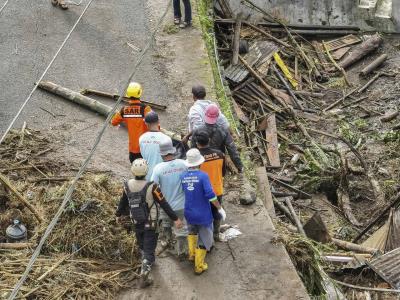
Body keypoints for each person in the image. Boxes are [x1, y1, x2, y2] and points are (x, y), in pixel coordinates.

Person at [115, 159, 182, 288]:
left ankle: (147, 258)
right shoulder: (153, 186)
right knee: (150, 247)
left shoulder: (126, 185)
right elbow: (164, 204)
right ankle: (145, 271)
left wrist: (118, 215)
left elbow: (122, 203)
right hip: (150, 222)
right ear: (146, 171)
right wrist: (175, 219)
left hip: (136, 221)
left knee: (142, 244)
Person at [181, 149, 226, 274]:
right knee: (204, 239)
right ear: (199, 163)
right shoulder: (203, 176)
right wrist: (219, 208)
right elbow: (211, 195)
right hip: (203, 214)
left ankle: (192, 255)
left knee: (192, 232)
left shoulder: (183, 176)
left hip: (188, 212)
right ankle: (199, 266)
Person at [151, 138, 188, 257]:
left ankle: (167, 243)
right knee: (182, 229)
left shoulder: (158, 168)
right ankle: (182, 251)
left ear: (161, 154)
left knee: (166, 223)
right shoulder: (183, 164)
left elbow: (153, 187)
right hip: (182, 205)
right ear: (173, 151)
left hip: (166, 204)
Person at [191, 104, 243, 173]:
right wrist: (239, 166)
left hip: (202, 163)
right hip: (218, 163)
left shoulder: (197, 130)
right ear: (218, 115)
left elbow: (192, 149)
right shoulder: (223, 130)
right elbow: (232, 149)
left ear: (205, 114)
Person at [194, 130, 225, 241]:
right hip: (217, 189)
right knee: (216, 213)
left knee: (204, 214)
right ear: (209, 140)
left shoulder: (196, 159)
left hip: (202, 192)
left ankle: (205, 237)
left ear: (197, 143)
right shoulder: (220, 154)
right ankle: (216, 235)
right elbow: (223, 172)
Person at [111, 82, 152, 163]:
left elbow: (113, 122)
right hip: (146, 148)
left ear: (128, 94)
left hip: (133, 149)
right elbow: (156, 125)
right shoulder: (146, 109)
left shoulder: (124, 110)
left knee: (137, 171)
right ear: (140, 93)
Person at [139, 112, 170, 181]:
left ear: (146, 123)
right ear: (158, 121)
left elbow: (143, 155)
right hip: (162, 177)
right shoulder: (167, 139)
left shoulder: (142, 138)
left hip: (147, 177)